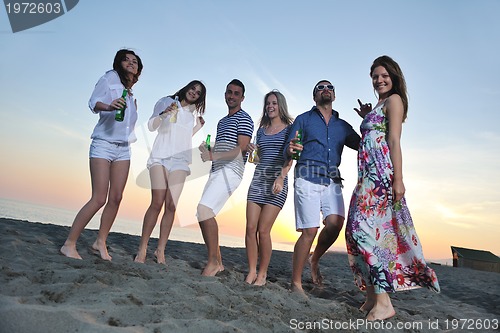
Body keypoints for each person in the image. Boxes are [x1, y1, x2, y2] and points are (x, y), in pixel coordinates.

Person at [345, 55, 440, 321]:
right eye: (375, 76)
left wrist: (399, 179)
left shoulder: (394, 100)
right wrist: (368, 116)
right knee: (357, 232)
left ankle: (384, 302)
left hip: (380, 176)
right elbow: (375, 133)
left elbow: (394, 141)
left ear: (394, 76)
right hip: (366, 177)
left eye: (384, 75)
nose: (379, 80)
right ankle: (373, 297)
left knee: (363, 232)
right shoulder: (379, 104)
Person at [60, 49, 143, 261]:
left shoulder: (131, 96)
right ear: (119, 64)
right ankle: (69, 244)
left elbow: (126, 125)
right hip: (103, 145)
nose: (131, 64)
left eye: (135, 62)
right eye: (127, 60)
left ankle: (100, 241)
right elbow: (93, 102)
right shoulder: (109, 78)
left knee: (116, 197)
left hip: (123, 148)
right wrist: (109, 106)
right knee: (99, 198)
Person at [284, 80, 360, 294]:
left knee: (336, 224)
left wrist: (370, 120)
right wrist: (291, 149)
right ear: (314, 96)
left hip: (332, 179)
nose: (326, 90)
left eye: (330, 88)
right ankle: (296, 284)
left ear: (334, 96)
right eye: (320, 88)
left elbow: (364, 144)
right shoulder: (303, 119)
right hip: (307, 175)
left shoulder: (343, 126)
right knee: (309, 231)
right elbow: (289, 149)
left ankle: (314, 259)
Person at [134, 80, 207, 264]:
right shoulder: (167, 101)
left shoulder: (191, 115)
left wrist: (198, 128)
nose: (194, 93)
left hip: (180, 161)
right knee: (157, 201)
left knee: (171, 205)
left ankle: (160, 250)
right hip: (160, 157)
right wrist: (164, 113)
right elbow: (151, 126)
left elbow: (182, 137)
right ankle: (142, 248)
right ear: (186, 88)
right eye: (193, 89)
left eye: (198, 93)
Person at [197, 79, 254, 276]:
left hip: (232, 170)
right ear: (225, 94)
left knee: (204, 210)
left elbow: (240, 149)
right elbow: (224, 147)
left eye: (236, 93)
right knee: (204, 212)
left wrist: (215, 155)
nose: (232, 96)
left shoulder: (244, 119)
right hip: (217, 170)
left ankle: (213, 262)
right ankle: (217, 262)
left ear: (242, 98)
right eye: (229, 92)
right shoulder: (222, 121)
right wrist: (208, 150)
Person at [245, 90, 294, 286]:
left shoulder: (290, 129)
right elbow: (256, 160)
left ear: (280, 105)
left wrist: (281, 178)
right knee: (250, 228)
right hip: (258, 180)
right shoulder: (261, 129)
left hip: (277, 182)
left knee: (263, 231)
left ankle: (263, 273)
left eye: (274, 103)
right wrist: (252, 150)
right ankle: (251, 271)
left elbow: (292, 158)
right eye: (267, 104)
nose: (270, 106)